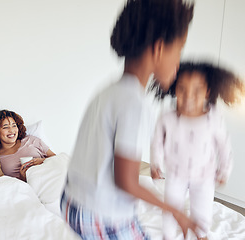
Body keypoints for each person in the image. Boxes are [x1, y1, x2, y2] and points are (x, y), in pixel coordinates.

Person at [61, 0, 198, 239]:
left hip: (71, 202)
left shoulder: (108, 90)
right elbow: (126, 181)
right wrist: (175, 210)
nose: (178, 64)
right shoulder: (136, 103)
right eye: (178, 51)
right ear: (158, 48)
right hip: (100, 214)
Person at [150, 61, 244, 240]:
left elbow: (224, 146)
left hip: (204, 177)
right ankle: (167, 236)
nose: (188, 96)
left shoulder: (213, 118)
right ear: (173, 88)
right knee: (170, 209)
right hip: (175, 174)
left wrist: (225, 170)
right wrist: (155, 163)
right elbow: (157, 142)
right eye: (182, 89)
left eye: (197, 90)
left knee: (202, 214)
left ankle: (200, 236)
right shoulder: (167, 118)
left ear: (208, 91)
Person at [0, 110, 56, 182]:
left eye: (14, 126)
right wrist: (22, 178)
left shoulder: (31, 140)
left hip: (48, 177)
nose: (11, 130)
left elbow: (56, 159)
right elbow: (4, 183)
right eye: (5, 127)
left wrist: (43, 161)